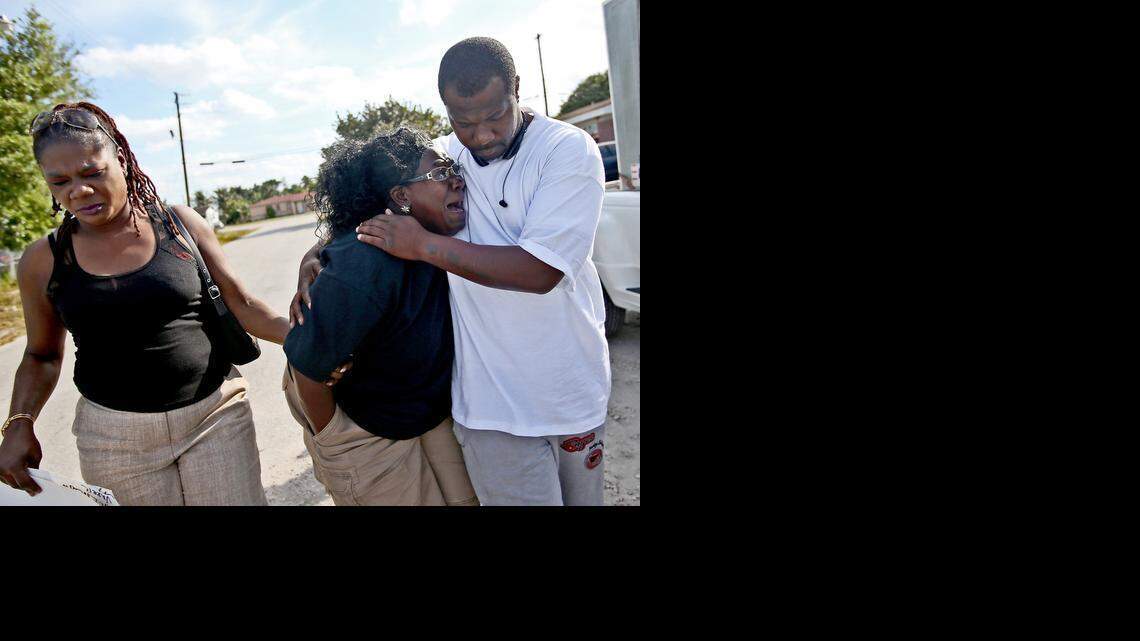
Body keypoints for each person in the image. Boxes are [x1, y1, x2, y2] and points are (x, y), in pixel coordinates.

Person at [292, 38, 611, 505]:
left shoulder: (565, 150)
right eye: (464, 122)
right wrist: (319, 253)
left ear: (517, 90)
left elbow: (541, 272)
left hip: (571, 390)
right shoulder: (446, 157)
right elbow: (381, 196)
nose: (481, 135)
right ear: (446, 109)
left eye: (495, 116)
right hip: (490, 410)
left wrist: (424, 246)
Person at [0, 102, 293, 506]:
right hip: (114, 441)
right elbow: (41, 354)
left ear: (119, 157)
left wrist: (311, 341)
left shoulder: (180, 224)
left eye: (92, 172)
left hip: (214, 416)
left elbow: (242, 303)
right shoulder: (43, 260)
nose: (78, 190)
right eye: (59, 181)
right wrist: (19, 422)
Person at [282, 127, 478, 506]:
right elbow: (307, 369)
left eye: (451, 168)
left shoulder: (438, 234)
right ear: (401, 196)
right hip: (365, 423)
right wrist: (335, 439)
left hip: (422, 409)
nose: (456, 180)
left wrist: (316, 248)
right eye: (439, 174)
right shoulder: (364, 263)